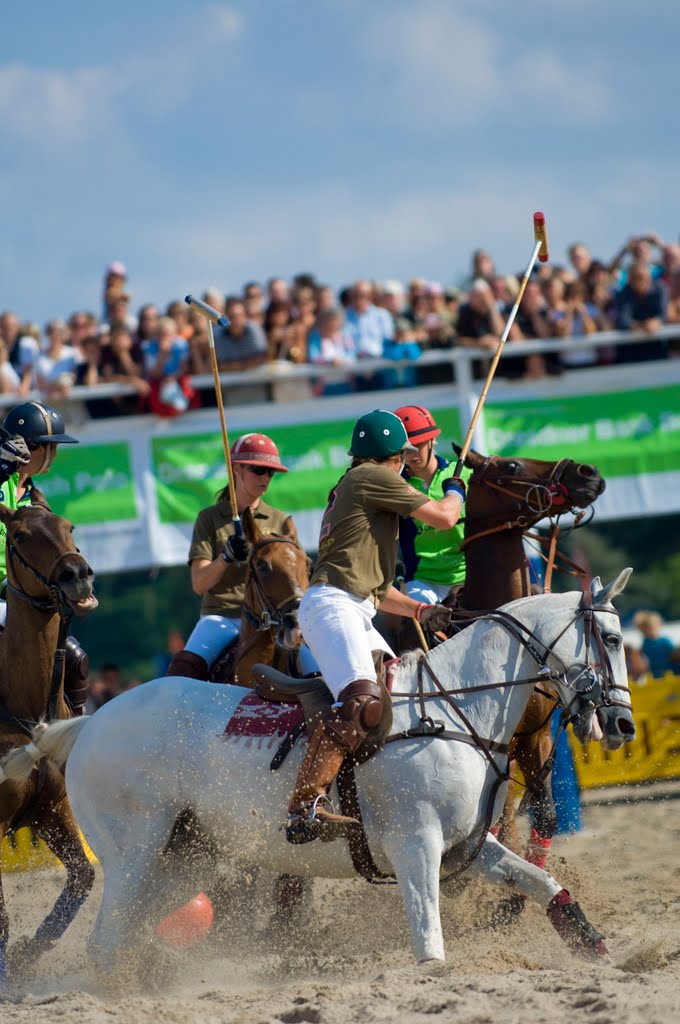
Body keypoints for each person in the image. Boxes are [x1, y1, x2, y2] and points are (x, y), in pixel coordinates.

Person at [286, 409, 466, 844]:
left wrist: (420, 612)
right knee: (363, 700)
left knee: (395, 694)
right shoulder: (371, 475)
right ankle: (305, 805)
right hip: (334, 605)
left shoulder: (361, 486)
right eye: (403, 455)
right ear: (393, 456)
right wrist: (456, 487)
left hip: (352, 604)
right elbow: (444, 517)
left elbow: (376, 590)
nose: (407, 462)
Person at [166, 432, 297, 680]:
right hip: (223, 618)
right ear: (236, 469)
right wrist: (225, 556)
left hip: (272, 623)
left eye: (271, 472)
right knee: (182, 673)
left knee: (317, 670)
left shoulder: (279, 521)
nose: (266, 478)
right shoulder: (210, 519)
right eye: (259, 470)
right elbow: (199, 583)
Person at [0, 401, 90, 714]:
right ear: (29, 447)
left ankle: (70, 731)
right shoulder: (3, 478)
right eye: (51, 447)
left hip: (14, 592)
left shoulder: (34, 495)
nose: (55, 454)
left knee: (75, 657)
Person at [393, 405, 472, 603]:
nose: (412, 455)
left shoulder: (462, 473)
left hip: (472, 575)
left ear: (433, 440)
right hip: (424, 581)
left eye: (418, 445)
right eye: (406, 450)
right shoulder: (394, 485)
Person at [632, 611, 678, 679]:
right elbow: (640, 659)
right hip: (656, 676)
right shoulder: (646, 643)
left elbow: (674, 655)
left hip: (671, 673)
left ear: (657, 626)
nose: (647, 632)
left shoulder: (665, 641)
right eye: (644, 631)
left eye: (650, 629)